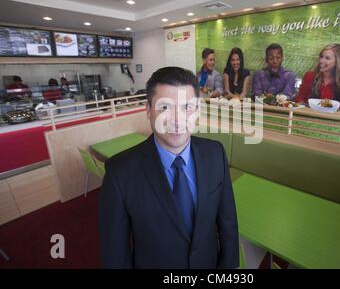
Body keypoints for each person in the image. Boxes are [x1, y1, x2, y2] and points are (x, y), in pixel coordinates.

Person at [99, 66, 239, 269]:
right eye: (164, 107)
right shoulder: (119, 172)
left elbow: (228, 221)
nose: (177, 120)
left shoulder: (215, 154)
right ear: (148, 110)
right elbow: (114, 252)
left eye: (187, 107)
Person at [296, 44, 340, 108]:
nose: (321, 61)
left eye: (327, 58)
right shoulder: (310, 76)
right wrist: (301, 103)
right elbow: (300, 98)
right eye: (321, 57)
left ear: (337, 62)